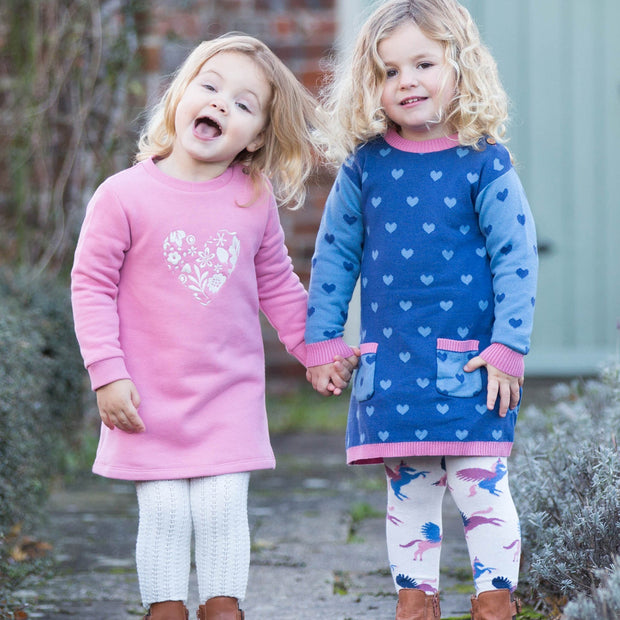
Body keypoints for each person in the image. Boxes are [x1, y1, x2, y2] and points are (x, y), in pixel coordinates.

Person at [71, 33, 356, 620]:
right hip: (147, 395)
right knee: (168, 512)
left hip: (228, 394)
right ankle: (166, 607)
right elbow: (91, 286)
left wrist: (314, 349)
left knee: (223, 506)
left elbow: (278, 285)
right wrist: (106, 373)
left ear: (255, 139)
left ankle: (223, 606)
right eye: (210, 86)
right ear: (179, 96)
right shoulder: (122, 197)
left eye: (245, 104)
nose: (224, 103)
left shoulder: (251, 198)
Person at [305, 1, 537, 618]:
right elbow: (333, 259)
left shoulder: (485, 162)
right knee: (409, 493)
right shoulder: (364, 167)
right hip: (396, 365)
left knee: (481, 489)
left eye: (423, 63)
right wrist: (323, 341)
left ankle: (494, 601)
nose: (406, 80)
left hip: (474, 367)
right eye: (388, 71)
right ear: (369, 85)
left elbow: (517, 259)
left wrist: (509, 347)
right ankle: (416, 602)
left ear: (460, 68)